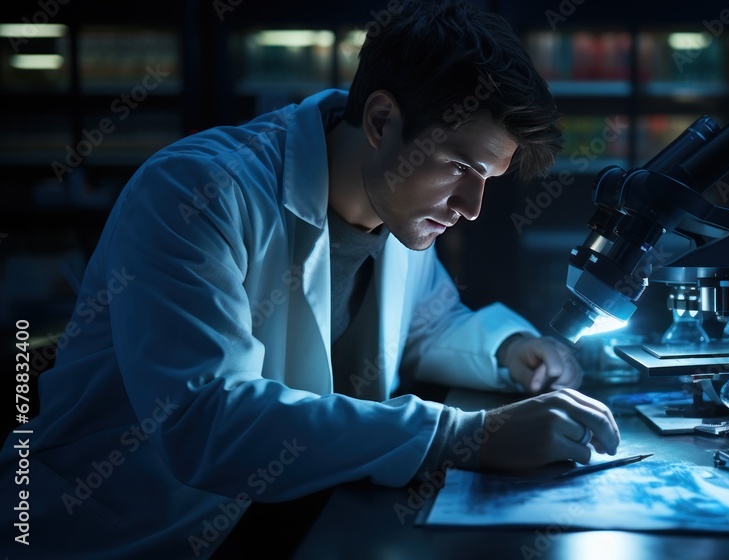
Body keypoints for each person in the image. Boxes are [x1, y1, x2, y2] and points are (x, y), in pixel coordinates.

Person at [0, 1, 621, 558]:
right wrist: (463, 437)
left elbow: (429, 321)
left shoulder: (398, 205)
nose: (472, 206)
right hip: (110, 531)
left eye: (488, 177)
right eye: (460, 165)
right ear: (381, 121)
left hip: (274, 520)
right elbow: (205, 420)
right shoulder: (198, 192)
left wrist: (513, 351)